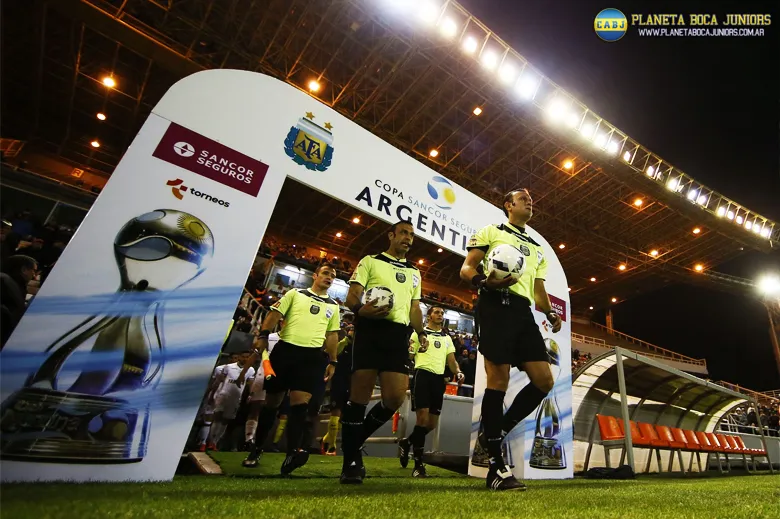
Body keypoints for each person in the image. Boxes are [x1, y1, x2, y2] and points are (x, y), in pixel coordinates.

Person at [460, 188, 562, 491]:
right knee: (498, 380)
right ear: (508, 205)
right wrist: (484, 281)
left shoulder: (537, 247)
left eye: (532, 199)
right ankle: (495, 467)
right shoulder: (491, 231)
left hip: (522, 312)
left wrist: (551, 313)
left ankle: (497, 429)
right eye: (523, 199)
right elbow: (466, 268)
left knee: (544, 380)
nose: (530, 202)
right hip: (493, 304)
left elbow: (538, 291)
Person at [340, 220, 427, 484]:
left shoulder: (415, 272)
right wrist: (359, 311)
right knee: (360, 397)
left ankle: (354, 441)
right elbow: (352, 295)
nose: (408, 238)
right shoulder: (371, 261)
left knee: (394, 398)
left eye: (412, 235)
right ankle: (351, 462)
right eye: (403, 233)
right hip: (369, 329)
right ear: (391, 235)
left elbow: (414, 308)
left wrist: (421, 332)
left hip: (398, 336)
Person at [240, 262, 340, 475]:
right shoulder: (296, 294)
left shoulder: (334, 306)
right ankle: (256, 449)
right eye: (325, 273)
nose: (329, 277)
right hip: (286, 351)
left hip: (311, 356)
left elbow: (332, 335)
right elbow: (274, 315)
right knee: (272, 403)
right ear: (315, 275)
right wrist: (263, 335)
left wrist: (332, 361)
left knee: (299, 405)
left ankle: (291, 453)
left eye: (332, 275)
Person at [399, 305, 463, 477]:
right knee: (422, 417)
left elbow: (451, 360)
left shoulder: (447, 338)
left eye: (442, 313)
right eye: (436, 312)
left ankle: (407, 442)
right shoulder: (419, 334)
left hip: (438, 379)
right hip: (422, 376)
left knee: (431, 424)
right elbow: (409, 355)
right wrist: (417, 350)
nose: (440, 315)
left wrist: (457, 371)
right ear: (429, 316)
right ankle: (418, 465)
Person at [206, 352, 255, 450]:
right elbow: (219, 381)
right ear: (239, 357)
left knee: (225, 420)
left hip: (236, 397)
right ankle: (210, 442)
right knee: (217, 418)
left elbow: (250, 383)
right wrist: (212, 394)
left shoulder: (251, 370)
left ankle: (215, 442)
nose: (245, 359)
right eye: (243, 356)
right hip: (223, 395)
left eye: (247, 357)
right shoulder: (228, 367)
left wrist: (251, 394)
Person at [321, 323, 355, 456]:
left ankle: (325, 440)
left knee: (344, 416)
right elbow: (331, 354)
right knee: (335, 412)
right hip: (338, 381)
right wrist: (346, 340)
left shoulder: (358, 347)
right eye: (351, 330)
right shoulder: (342, 344)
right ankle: (331, 446)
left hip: (352, 383)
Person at [244, 330, 281, 448]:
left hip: (279, 377)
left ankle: (260, 441)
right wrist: (242, 374)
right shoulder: (270, 337)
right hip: (263, 374)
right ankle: (249, 439)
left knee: (270, 408)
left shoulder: (293, 339)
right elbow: (255, 355)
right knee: (255, 407)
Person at [1, 255, 37, 348]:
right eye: (33, 270)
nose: (34, 275)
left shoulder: (11, 283)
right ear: (24, 270)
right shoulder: (6, 283)